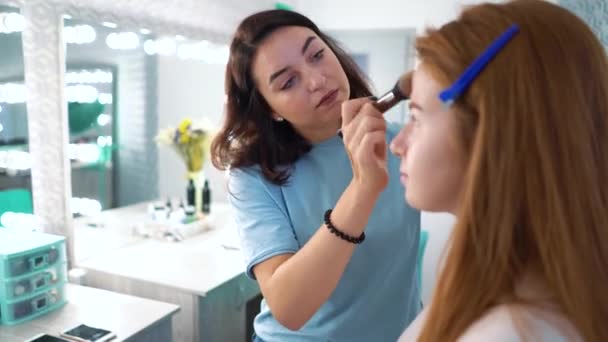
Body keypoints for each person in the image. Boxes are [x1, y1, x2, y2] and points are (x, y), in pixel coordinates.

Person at [390, 0, 608, 341]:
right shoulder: (509, 297)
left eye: (415, 118)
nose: (397, 143)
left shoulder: (509, 333)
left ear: (490, 132)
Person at [211, 9, 420, 342]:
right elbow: (289, 308)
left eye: (318, 55)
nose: (317, 80)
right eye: (288, 81)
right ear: (270, 110)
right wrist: (364, 187)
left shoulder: (401, 141)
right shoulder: (253, 176)